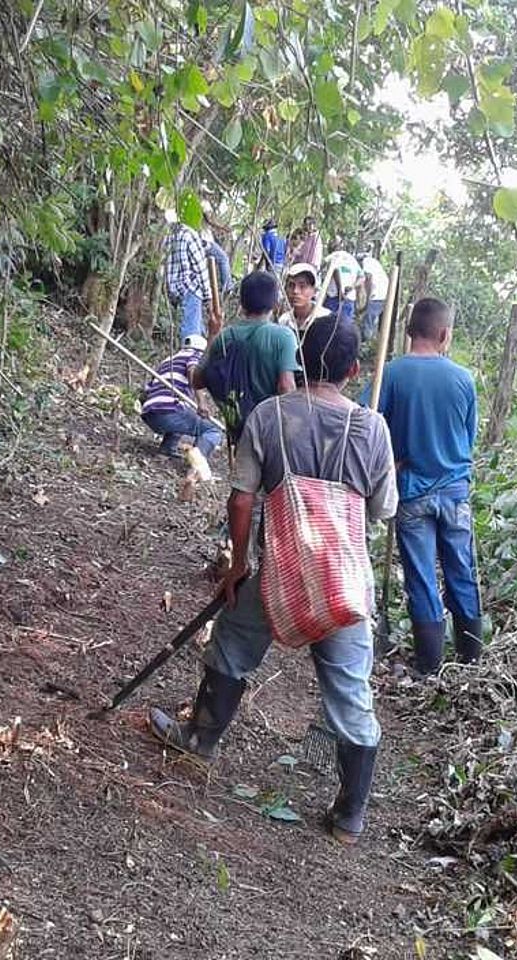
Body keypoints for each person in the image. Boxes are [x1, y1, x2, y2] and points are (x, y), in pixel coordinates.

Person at [150, 315, 397, 844]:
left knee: (233, 645)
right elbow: (382, 509)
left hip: (281, 571)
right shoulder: (372, 428)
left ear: (301, 358)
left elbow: (242, 498)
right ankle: (350, 814)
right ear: (355, 369)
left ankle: (200, 739)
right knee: (351, 689)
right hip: (344, 584)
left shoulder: (270, 415)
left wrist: (238, 566)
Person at [366, 298, 483, 676]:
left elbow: (365, 423)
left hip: (412, 492)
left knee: (421, 576)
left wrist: (391, 460)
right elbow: (468, 438)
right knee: (461, 570)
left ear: (408, 331)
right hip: (454, 492)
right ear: (445, 334)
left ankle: (429, 666)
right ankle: (471, 659)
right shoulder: (463, 379)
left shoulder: (392, 375)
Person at [192, 271, 298, 441]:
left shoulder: (224, 336)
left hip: (239, 433)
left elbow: (197, 380)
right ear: (275, 303)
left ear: (241, 303)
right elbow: (286, 388)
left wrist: (212, 335)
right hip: (270, 434)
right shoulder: (283, 337)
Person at [140, 334, 224, 464]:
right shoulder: (195, 355)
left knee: (185, 410)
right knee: (212, 430)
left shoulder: (167, 361)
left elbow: (145, 393)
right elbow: (193, 373)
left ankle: (167, 449)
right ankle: (197, 464)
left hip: (149, 414)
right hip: (169, 411)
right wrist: (202, 402)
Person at [163, 213, 217, 339]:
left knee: (194, 331)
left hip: (174, 291)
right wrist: (209, 298)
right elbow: (201, 268)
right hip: (190, 290)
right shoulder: (189, 234)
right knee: (191, 336)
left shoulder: (168, 235)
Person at [277, 262, 330, 335]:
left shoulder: (325, 320)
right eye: (291, 285)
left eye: (302, 286)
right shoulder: (284, 322)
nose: (295, 291)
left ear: (314, 291)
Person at [322, 247, 361, 324]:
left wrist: (340, 291)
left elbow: (335, 270)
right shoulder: (353, 259)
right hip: (348, 298)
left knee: (328, 324)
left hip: (334, 296)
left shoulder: (333, 256)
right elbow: (362, 278)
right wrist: (352, 287)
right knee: (345, 326)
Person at [358, 251, 390, 341]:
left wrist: (368, 300)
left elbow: (369, 280)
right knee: (371, 320)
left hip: (377, 295)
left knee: (368, 321)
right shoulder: (374, 263)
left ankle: (365, 342)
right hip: (383, 294)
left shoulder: (366, 263)